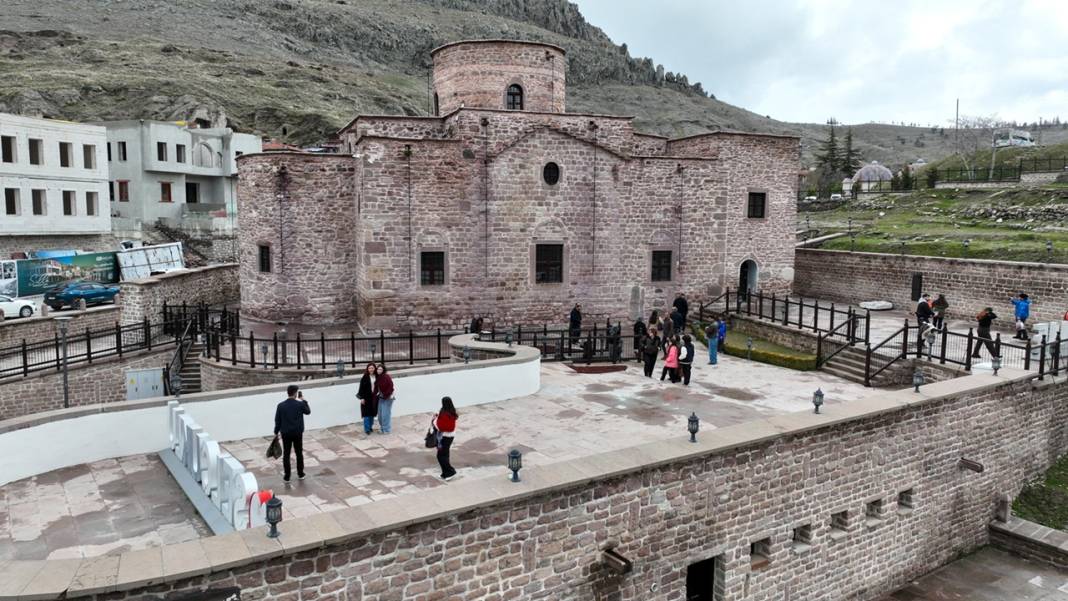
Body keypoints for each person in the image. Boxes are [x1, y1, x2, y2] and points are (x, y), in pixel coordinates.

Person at [273, 384, 311, 482]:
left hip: (286, 433)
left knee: (286, 454)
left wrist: (276, 432)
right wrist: (304, 400)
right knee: (299, 453)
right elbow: (308, 412)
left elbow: (278, 420)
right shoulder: (300, 404)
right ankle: (300, 473)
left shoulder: (281, 406)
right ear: (295, 393)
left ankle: (287, 476)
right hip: (297, 433)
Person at [435, 396, 459, 481]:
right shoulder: (451, 411)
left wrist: (435, 421)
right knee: (444, 454)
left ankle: (450, 472)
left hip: (445, 437)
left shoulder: (445, 413)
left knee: (440, 456)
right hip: (449, 436)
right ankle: (445, 473)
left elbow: (441, 426)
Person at [357, 362, 378, 435]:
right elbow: (361, 388)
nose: (371, 369)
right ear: (367, 369)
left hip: (374, 397)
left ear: (374, 368)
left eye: (372, 368)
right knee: (366, 414)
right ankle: (367, 429)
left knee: (372, 413)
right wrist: (362, 398)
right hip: (366, 398)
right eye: (369, 368)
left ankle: (370, 427)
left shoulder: (377, 376)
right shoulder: (365, 377)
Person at [373, 363, 395, 434]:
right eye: (378, 369)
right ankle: (382, 428)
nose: (379, 370)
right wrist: (373, 395)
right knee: (380, 415)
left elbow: (391, 387)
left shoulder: (386, 377)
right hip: (381, 398)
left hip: (388, 398)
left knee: (385, 415)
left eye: (380, 369)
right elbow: (376, 388)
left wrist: (386, 395)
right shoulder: (378, 377)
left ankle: (386, 430)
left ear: (383, 370)